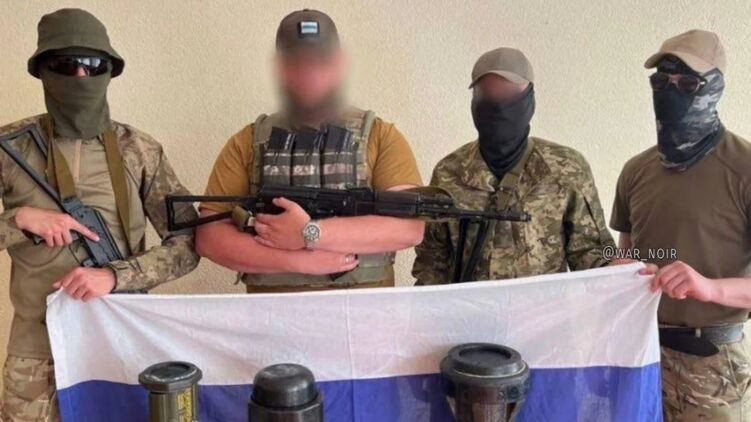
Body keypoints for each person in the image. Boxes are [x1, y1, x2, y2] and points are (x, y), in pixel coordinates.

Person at [0, 9, 200, 420]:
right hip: (36, 352)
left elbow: (189, 242)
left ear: (109, 71)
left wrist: (115, 276)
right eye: (64, 64)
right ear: (42, 71)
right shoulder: (11, 147)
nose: (80, 76)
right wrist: (19, 221)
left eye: (92, 65)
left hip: (122, 338)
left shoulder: (139, 150)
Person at [196, 9, 423, 293]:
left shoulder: (380, 136)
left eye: (321, 60)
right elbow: (209, 236)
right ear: (280, 68)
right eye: (297, 61)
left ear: (339, 65)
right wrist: (299, 260)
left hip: (365, 313)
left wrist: (309, 233)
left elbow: (409, 228)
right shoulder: (247, 142)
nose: (310, 72)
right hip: (273, 314)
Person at [611, 30, 751, 421]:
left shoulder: (743, 170)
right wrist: (617, 273)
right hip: (640, 359)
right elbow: (625, 256)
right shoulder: (636, 171)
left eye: (688, 84)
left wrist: (709, 287)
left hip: (711, 370)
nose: (671, 92)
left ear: (715, 87)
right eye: (661, 82)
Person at [412, 47, 614, 284]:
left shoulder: (566, 168)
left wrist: (626, 271)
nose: (499, 106)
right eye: (487, 94)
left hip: (543, 308)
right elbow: (432, 265)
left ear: (529, 98)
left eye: (509, 94)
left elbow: (592, 254)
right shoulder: (450, 172)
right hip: (470, 309)